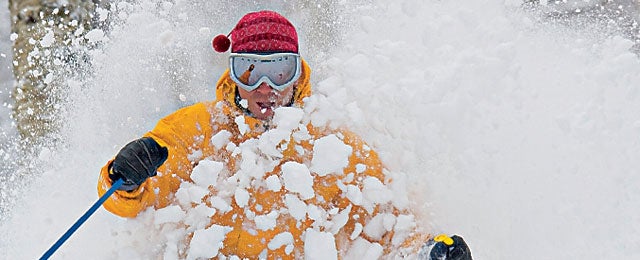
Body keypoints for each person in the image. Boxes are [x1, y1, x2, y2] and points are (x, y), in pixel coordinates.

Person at [97, 10, 472, 259]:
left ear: (298, 75)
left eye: (279, 73)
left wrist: (428, 250)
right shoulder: (193, 129)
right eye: (250, 72)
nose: (265, 88)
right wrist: (124, 176)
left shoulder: (331, 147)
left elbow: (387, 225)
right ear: (233, 75)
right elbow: (127, 202)